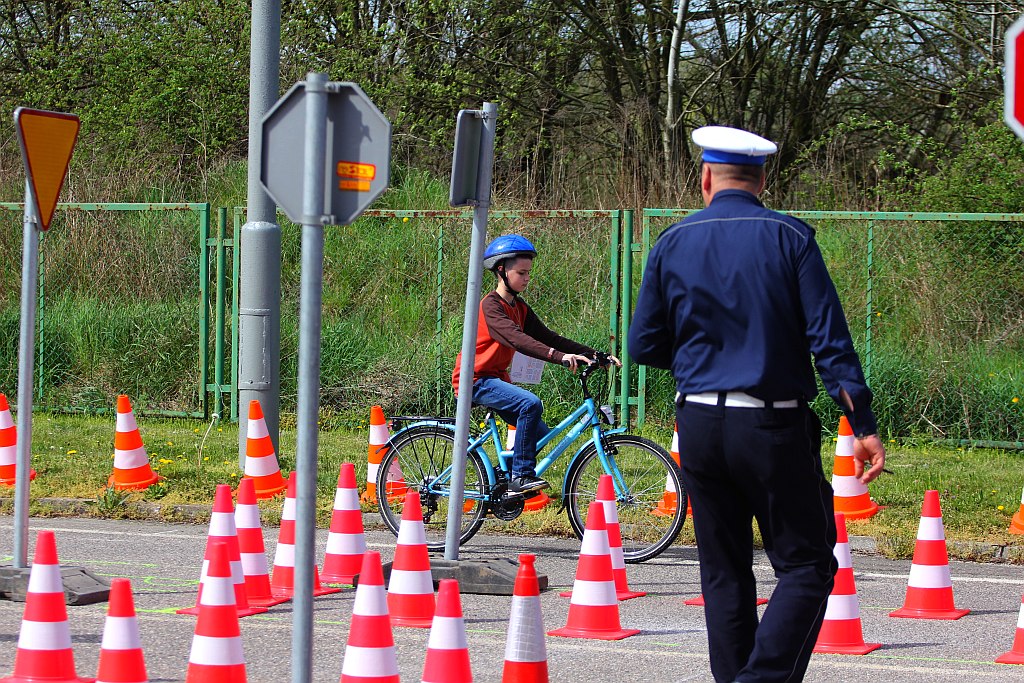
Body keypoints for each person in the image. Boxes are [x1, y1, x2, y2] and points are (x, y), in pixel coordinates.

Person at [627, 126, 886, 682]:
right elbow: (830, 343)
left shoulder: (672, 242)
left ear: (705, 178)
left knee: (724, 573)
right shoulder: (790, 238)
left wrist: (701, 360)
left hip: (698, 421)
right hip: (772, 424)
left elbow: (643, 344)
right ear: (762, 180)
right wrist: (861, 423)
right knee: (806, 564)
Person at [452, 234, 619, 494]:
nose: (527, 278)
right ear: (501, 270)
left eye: (529, 273)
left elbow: (549, 337)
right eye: (521, 273)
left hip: (495, 379)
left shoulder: (519, 307)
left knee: (540, 434)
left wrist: (594, 354)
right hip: (475, 380)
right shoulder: (490, 306)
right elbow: (518, 340)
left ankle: (502, 481)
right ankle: (521, 476)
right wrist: (559, 357)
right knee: (530, 404)